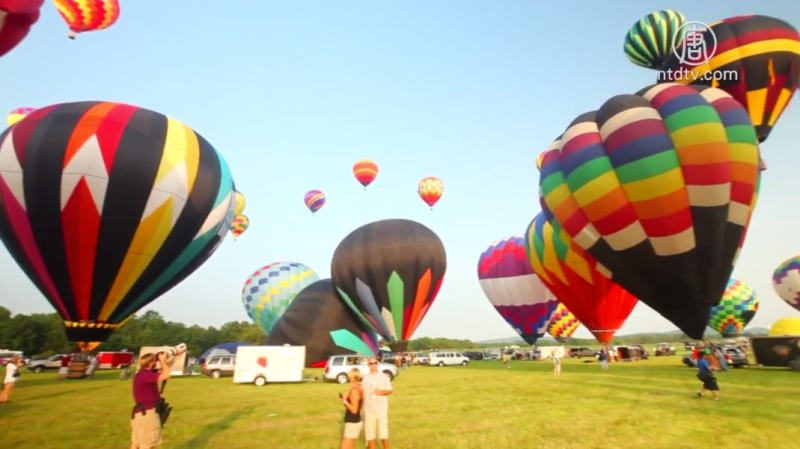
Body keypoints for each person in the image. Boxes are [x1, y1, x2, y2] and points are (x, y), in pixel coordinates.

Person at [130, 352, 171, 449]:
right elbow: (167, 375)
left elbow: (165, 369)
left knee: (136, 443)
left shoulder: (141, 374)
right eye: (155, 361)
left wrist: (166, 359)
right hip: (148, 414)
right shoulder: (146, 375)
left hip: (139, 414)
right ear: (151, 363)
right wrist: (163, 361)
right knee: (148, 444)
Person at [362, 357, 393, 449]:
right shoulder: (365, 378)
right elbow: (362, 392)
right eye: (371, 363)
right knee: (369, 433)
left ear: (377, 364)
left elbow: (390, 390)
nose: (373, 365)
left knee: (383, 432)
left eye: (375, 363)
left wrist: (380, 392)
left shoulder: (383, 376)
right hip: (368, 408)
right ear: (368, 365)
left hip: (381, 408)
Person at [339, 368, 364, 449]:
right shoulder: (360, 387)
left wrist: (345, 402)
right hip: (356, 421)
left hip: (352, 422)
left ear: (351, 377)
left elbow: (354, 410)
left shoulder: (354, 390)